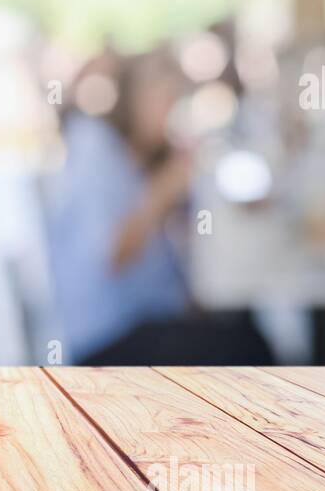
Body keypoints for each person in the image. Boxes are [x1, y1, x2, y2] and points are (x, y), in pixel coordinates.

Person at [44, 45, 272, 365]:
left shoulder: (140, 158)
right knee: (249, 349)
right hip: (109, 337)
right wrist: (166, 187)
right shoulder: (95, 147)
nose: (172, 112)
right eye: (165, 99)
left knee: (245, 327)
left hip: (152, 318)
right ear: (132, 97)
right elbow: (111, 255)